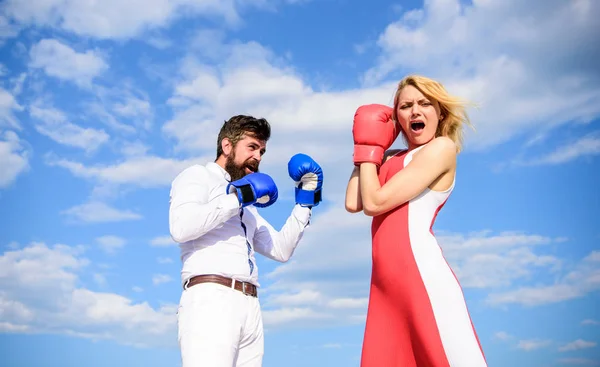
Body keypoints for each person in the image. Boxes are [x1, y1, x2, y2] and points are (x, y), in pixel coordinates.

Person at [345, 75, 487, 366]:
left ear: (440, 112)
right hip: (384, 287)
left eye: (425, 104)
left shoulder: (441, 148)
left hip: (420, 276)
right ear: (397, 116)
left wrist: (370, 154)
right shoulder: (388, 157)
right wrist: (368, 147)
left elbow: (374, 202)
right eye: (406, 106)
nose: (416, 111)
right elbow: (353, 202)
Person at [170, 115, 323, 367]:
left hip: (250, 304)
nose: (258, 157)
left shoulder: (246, 204)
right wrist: (240, 197)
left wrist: (305, 201)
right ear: (227, 146)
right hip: (211, 298)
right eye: (252, 147)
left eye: (261, 150)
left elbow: (281, 250)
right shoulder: (198, 176)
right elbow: (181, 226)